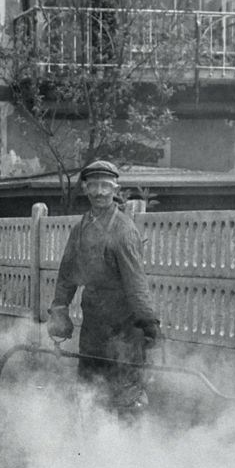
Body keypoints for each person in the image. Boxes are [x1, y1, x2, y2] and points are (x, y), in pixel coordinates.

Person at [46, 160, 161, 417]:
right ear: (85, 189)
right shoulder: (79, 230)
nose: (99, 192)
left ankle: (127, 450)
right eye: (94, 185)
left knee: (125, 397)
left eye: (105, 186)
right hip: (93, 326)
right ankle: (90, 449)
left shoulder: (123, 230)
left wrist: (148, 322)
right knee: (90, 392)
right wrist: (60, 309)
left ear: (115, 189)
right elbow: (67, 275)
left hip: (125, 328)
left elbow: (136, 282)